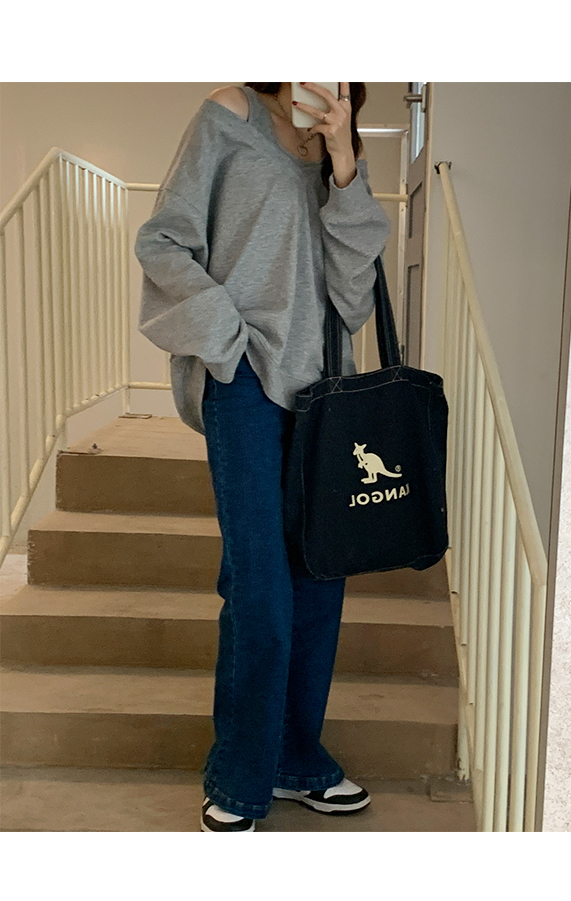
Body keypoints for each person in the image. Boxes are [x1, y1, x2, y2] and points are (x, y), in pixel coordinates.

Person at [134, 82, 391, 832]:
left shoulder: (341, 156)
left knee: (318, 580)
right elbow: (163, 238)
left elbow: (352, 300)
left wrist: (343, 162)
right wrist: (226, 341)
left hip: (323, 393)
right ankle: (241, 776)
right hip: (243, 381)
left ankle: (297, 758)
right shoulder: (233, 114)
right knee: (261, 588)